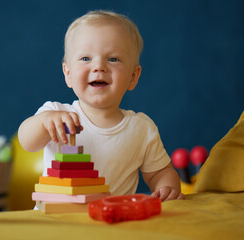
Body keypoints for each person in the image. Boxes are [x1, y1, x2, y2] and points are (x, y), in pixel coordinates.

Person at [18, 10, 184, 201]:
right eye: (86, 58)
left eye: (113, 59)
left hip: (112, 222)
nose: (99, 66)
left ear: (133, 77)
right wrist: (44, 122)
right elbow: (26, 142)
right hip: (58, 221)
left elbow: (159, 172)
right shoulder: (56, 114)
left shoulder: (142, 128)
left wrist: (167, 188)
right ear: (68, 74)